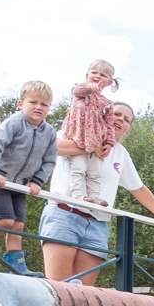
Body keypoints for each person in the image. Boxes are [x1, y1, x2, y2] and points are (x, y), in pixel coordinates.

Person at [40, 102, 154, 285]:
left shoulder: (121, 154)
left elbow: (137, 188)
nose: (120, 120)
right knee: (58, 288)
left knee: (83, 295)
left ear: (127, 129)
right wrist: (90, 146)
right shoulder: (74, 132)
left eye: (126, 119)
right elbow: (52, 147)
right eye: (116, 114)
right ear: (104, 115)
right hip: (64, 214)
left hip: (97, 225)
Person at [0, 81, 56, 276]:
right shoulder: (14, 123)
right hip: (0, 180)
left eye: (44, 104)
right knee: (5, 220)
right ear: (20, 104)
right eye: (33, 102)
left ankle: (16, 266)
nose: (38, 107)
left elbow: (49, 161)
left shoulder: (49, 132)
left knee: (18, 225)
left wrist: (37, 181)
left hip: (21, 185)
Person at [54, 60, 119, 206]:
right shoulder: (80, 91)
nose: (97, 76)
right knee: (79, 168)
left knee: (94, 172)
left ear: (109, 82)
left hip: (96, 141)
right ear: (87, 75)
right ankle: (78, 195)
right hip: (78, 137)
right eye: (94, 73)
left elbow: (109, 124)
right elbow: (79, 91)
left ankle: (94, 196)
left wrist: (109, 142)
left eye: (103, 75)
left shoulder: (107, 102)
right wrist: (91, 87)